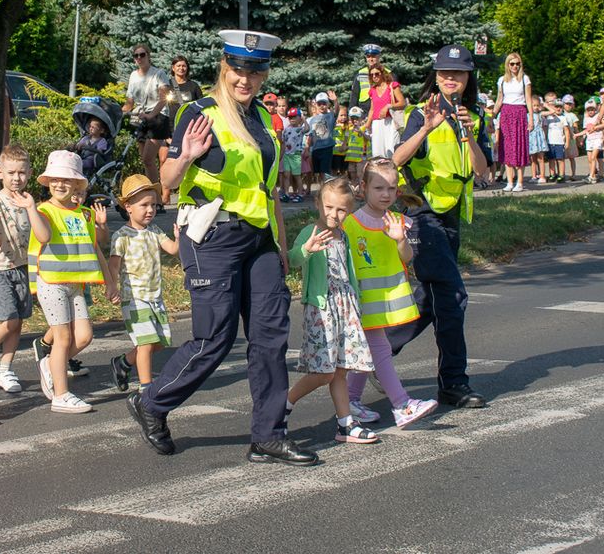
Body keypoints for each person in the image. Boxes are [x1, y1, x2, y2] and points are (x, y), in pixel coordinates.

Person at [127, 29, 318, 467]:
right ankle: (153, 402)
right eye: (237, 69)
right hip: (212, 237)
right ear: (223, 68)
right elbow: (169, 183)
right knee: (215, 338)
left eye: (255, 71)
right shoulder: (199, 112)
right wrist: (187, 153)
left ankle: (268, 435)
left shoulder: (265, 121)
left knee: (270, 336)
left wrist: (281, 245)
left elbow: (268, 191)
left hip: (259, 238)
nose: (245, 79)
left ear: (264, 74)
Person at [388, 44, 489, 409]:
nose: (451, 78)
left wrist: (468, 134)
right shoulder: (419, 114)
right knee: (453, 296)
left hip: (452, 216)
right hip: (422, 214)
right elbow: (396, 159)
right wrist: (428, 128)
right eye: (445, 72)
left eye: (458, 73)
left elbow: (482, 170)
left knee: (431, 300)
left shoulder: (474, 117)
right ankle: (454, 384)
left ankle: (381, 348)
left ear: (467, 78)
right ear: (435, 76)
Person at [343, 158, 439, 428]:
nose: (386, 194)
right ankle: (402, 404)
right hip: (363, 301)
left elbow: (407, 258)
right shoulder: (351, 224)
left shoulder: (399, 222)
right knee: (380, 349)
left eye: (391, 188)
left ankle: (351, 400)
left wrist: (400, 239)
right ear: (363, 188)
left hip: (388, 300)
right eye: (378, 188)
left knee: (371, 352)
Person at [285, 178, 378, 445]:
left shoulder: (344, 236)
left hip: (345, 305)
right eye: (328, 207)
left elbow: (348, 272)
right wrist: (306, 249)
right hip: (322, 308)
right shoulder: (312, 231)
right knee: (323, 372)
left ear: (349, 211)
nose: (334, 215)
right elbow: (291, 260)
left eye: (341, 210)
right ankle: (286, 403)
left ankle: (345, 424)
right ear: (318, 204)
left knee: (340, 370)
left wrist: (356, 303)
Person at [27, 151, 116, 413]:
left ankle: (50, 364)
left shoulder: (84, 215)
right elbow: (42, 237)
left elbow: (95, 249)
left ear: (78, 184)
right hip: (51, 282)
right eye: (54, 179)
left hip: (75, 284)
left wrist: (109, 282)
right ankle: (61, 394)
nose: (59, 184)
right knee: (63, 338)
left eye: (66, 180)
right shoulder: (44, 210)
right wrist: (31, 208)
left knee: (85, 336)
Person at [0, 145, 47, 393]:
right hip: (0, 268)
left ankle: (6, 368)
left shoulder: (29, 201)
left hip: (23, 267)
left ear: (29, 173)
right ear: (0, 173)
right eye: (11, 173)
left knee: (19, 322)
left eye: (21, 172)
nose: (16, 178)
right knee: (9, 320)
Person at [108, 175, 179, 394]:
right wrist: (113, 287)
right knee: (147, 344)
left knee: (158, 343)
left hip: (154, 297)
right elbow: (113, 266)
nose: (150, 210)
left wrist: (179, 237)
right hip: (134, 298)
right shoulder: (121, 236)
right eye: (144, 205)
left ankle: (123, 363)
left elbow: (173, 250)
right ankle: (146, 387)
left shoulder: (155, 231)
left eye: (153, 205)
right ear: (128, 207)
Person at [121, 43, 171, 203]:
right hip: (140, 118)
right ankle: (151, 196)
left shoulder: (158, 74)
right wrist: (121, 112)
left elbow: (164, 99)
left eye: (142, 55)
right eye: (136, 56)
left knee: (149, 159)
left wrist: (151, 115)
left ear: (148, 56)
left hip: (158, 118)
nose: (139, 58)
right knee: (145, 161)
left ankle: (157, 199)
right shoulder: (133, 76)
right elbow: (130, 102)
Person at [494, 52, 533, 192]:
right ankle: (509, 182)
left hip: (520, 113)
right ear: (507, 65)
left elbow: (528, 99)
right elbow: (499, 100)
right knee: (507, 147)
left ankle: (520, 182)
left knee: (519, 146)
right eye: (512, 64)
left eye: (517, 64)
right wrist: (492, 115)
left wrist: (531, 118)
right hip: (506, 113)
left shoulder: (524, 79)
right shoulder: (502, 80)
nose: (515, 66)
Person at [365, 66, 404, 158]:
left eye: (377, 73)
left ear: (382, 74)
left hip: (391, 121)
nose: (374, 76)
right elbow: (372, 109)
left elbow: (402, 102)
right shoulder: (372, 90)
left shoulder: (392, 86)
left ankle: (394, 170)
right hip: (377, 123)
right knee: (378, 153)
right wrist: (367, 124)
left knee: (392, 149)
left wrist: (388, 106)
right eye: (372, 75)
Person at [306, 90, 338, 190]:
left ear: (328, 104)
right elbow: (310, 135)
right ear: (316, 104)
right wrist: (307, 147)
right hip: (316, 148)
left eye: (324, 103)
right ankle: (321, 188)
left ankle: (327, 189)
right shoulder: (311, 119)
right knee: (318, 171)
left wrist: (336, 101)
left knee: (325, 171)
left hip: (327, 147)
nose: (322, 106)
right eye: (319, 104)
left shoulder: (330, 116)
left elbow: (337, 110)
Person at [280, 108, 307, 202]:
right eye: (290, 117)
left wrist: (304, 119)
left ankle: (300, 194)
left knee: (297, 175)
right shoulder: (286, 130)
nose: (292, 119)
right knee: (286, 175)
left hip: (296, 155)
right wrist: (281, 155)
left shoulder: (300, 129)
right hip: (287, 155)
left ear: (299, 118)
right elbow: (283, 142)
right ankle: (287, 193)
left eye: (294, 117)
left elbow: (308, 129)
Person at [167, 55, 203, 123]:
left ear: (187, 68)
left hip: (189, 123)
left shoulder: (194, 86)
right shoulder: (167, 85)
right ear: (173, 68)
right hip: (168, 125)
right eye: (178, 66)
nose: (181, 68)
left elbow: (200, 106)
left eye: (184, 66)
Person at [576, 99, 604, 183]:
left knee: (594, 157)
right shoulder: (586, 119)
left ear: (595, 109)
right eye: (589, 110)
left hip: (597, 139)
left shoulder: (598, 116)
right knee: (589, 159)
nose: (591, 111)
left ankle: (592, 176)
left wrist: (596, 127)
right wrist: (579, 137)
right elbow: (586, 131)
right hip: (589, 140)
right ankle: (593, 174)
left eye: (592, 109)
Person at [348, 43, 382, 114]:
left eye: (373, 56)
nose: (371, 59)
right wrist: (351, 111)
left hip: (381, 109)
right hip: (364, 110)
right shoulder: (360, 74)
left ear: (379, 56)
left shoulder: (386, 73)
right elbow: (354, 94)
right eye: (368, 57)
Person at [543, 99, 570, 183]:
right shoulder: (549, 118)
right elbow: (546, 129)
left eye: (560, 107)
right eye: (556, 106)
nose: (558, 109)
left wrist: (567, 142)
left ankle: (561, 175)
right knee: (551, 159)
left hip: (560, 142)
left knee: (560, 159)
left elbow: (566, 130)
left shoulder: (563, 118)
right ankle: (552, 174)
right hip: (550, 142)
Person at [344, 106, 369, 183]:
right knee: (352, 173)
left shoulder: (364, 128)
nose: (354, 120)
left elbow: (369, 139)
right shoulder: (349, 130)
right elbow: (345, 141)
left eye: (357, 118)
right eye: (352, 118)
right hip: (351, 157)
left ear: (361, 118)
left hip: (361, 157)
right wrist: (343, 147)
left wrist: (361, 132)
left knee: (360, 173)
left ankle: (361, 189)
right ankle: (354, 187)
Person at [528, 96, 548, 185]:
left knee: (541, 158)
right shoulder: (527, 115)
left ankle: (542, 176)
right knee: (532, 159)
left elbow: (553, 111)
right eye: (533, 105)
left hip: (539, 137)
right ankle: (534, 176)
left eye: (537, 105)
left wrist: (545, 105)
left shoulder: (540, 114)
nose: (536, 107)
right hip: (531, 138)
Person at [561, 94, 580, 180]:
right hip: (561, 138)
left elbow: (576, 128)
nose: (568, 105)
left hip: (571, 139)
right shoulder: (560, 114)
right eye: (566, 103)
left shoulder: (572, 115)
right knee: (561, 158)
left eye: (570, 104)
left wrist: (579, 139)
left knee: (571, 157)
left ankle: (573, 174)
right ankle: (562, 174)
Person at [331, 106, 350, 176]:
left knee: (344, 170)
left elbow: (346, 136)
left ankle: (344, 184)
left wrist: (344, 145)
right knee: (334, 170)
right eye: (341, 115)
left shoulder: (346, 126)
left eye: (345, 115)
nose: (344, 117)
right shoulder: (333, 126)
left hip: (343, 152)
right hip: (334, 153)